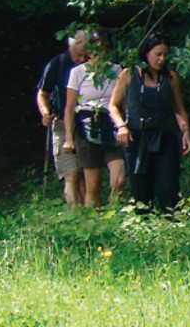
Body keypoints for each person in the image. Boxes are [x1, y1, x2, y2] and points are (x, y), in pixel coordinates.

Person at [109, 32, 190, 214]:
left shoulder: (171, 78)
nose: (161, 59)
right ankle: (143, 227)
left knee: (167, 186)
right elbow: (113, 106)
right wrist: (121, 126)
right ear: (146, 53)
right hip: (137, 138)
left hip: (164, 136)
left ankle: (172, 225)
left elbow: (178, 109)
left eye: (165, 55)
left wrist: (185, 132)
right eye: (158, 54)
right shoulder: (129, 74)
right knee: (140, 189)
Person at [61, 30, 126, 209]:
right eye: (97, 51)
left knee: (119, 178)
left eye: (105, 51)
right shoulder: (78, 72)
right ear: (89, 52)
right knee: (92, 186)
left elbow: (123, 103)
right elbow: (69, 108)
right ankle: (95, 223)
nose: (101, 55)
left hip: (111, 124)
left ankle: (115, 212)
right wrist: (68, 138)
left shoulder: (117, 71)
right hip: (86, 125)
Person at [36, 30, 89, 206]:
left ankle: (86, 218)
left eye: (85, 55)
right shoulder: (57, 64)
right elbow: (42, 94)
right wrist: (44, 112)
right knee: (71, 173)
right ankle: (73, 214)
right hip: (60, 123)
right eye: (78, 54)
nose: (81, 59)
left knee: (84, 173)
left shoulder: (91, 65)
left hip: (85, 123)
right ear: (70, 48)